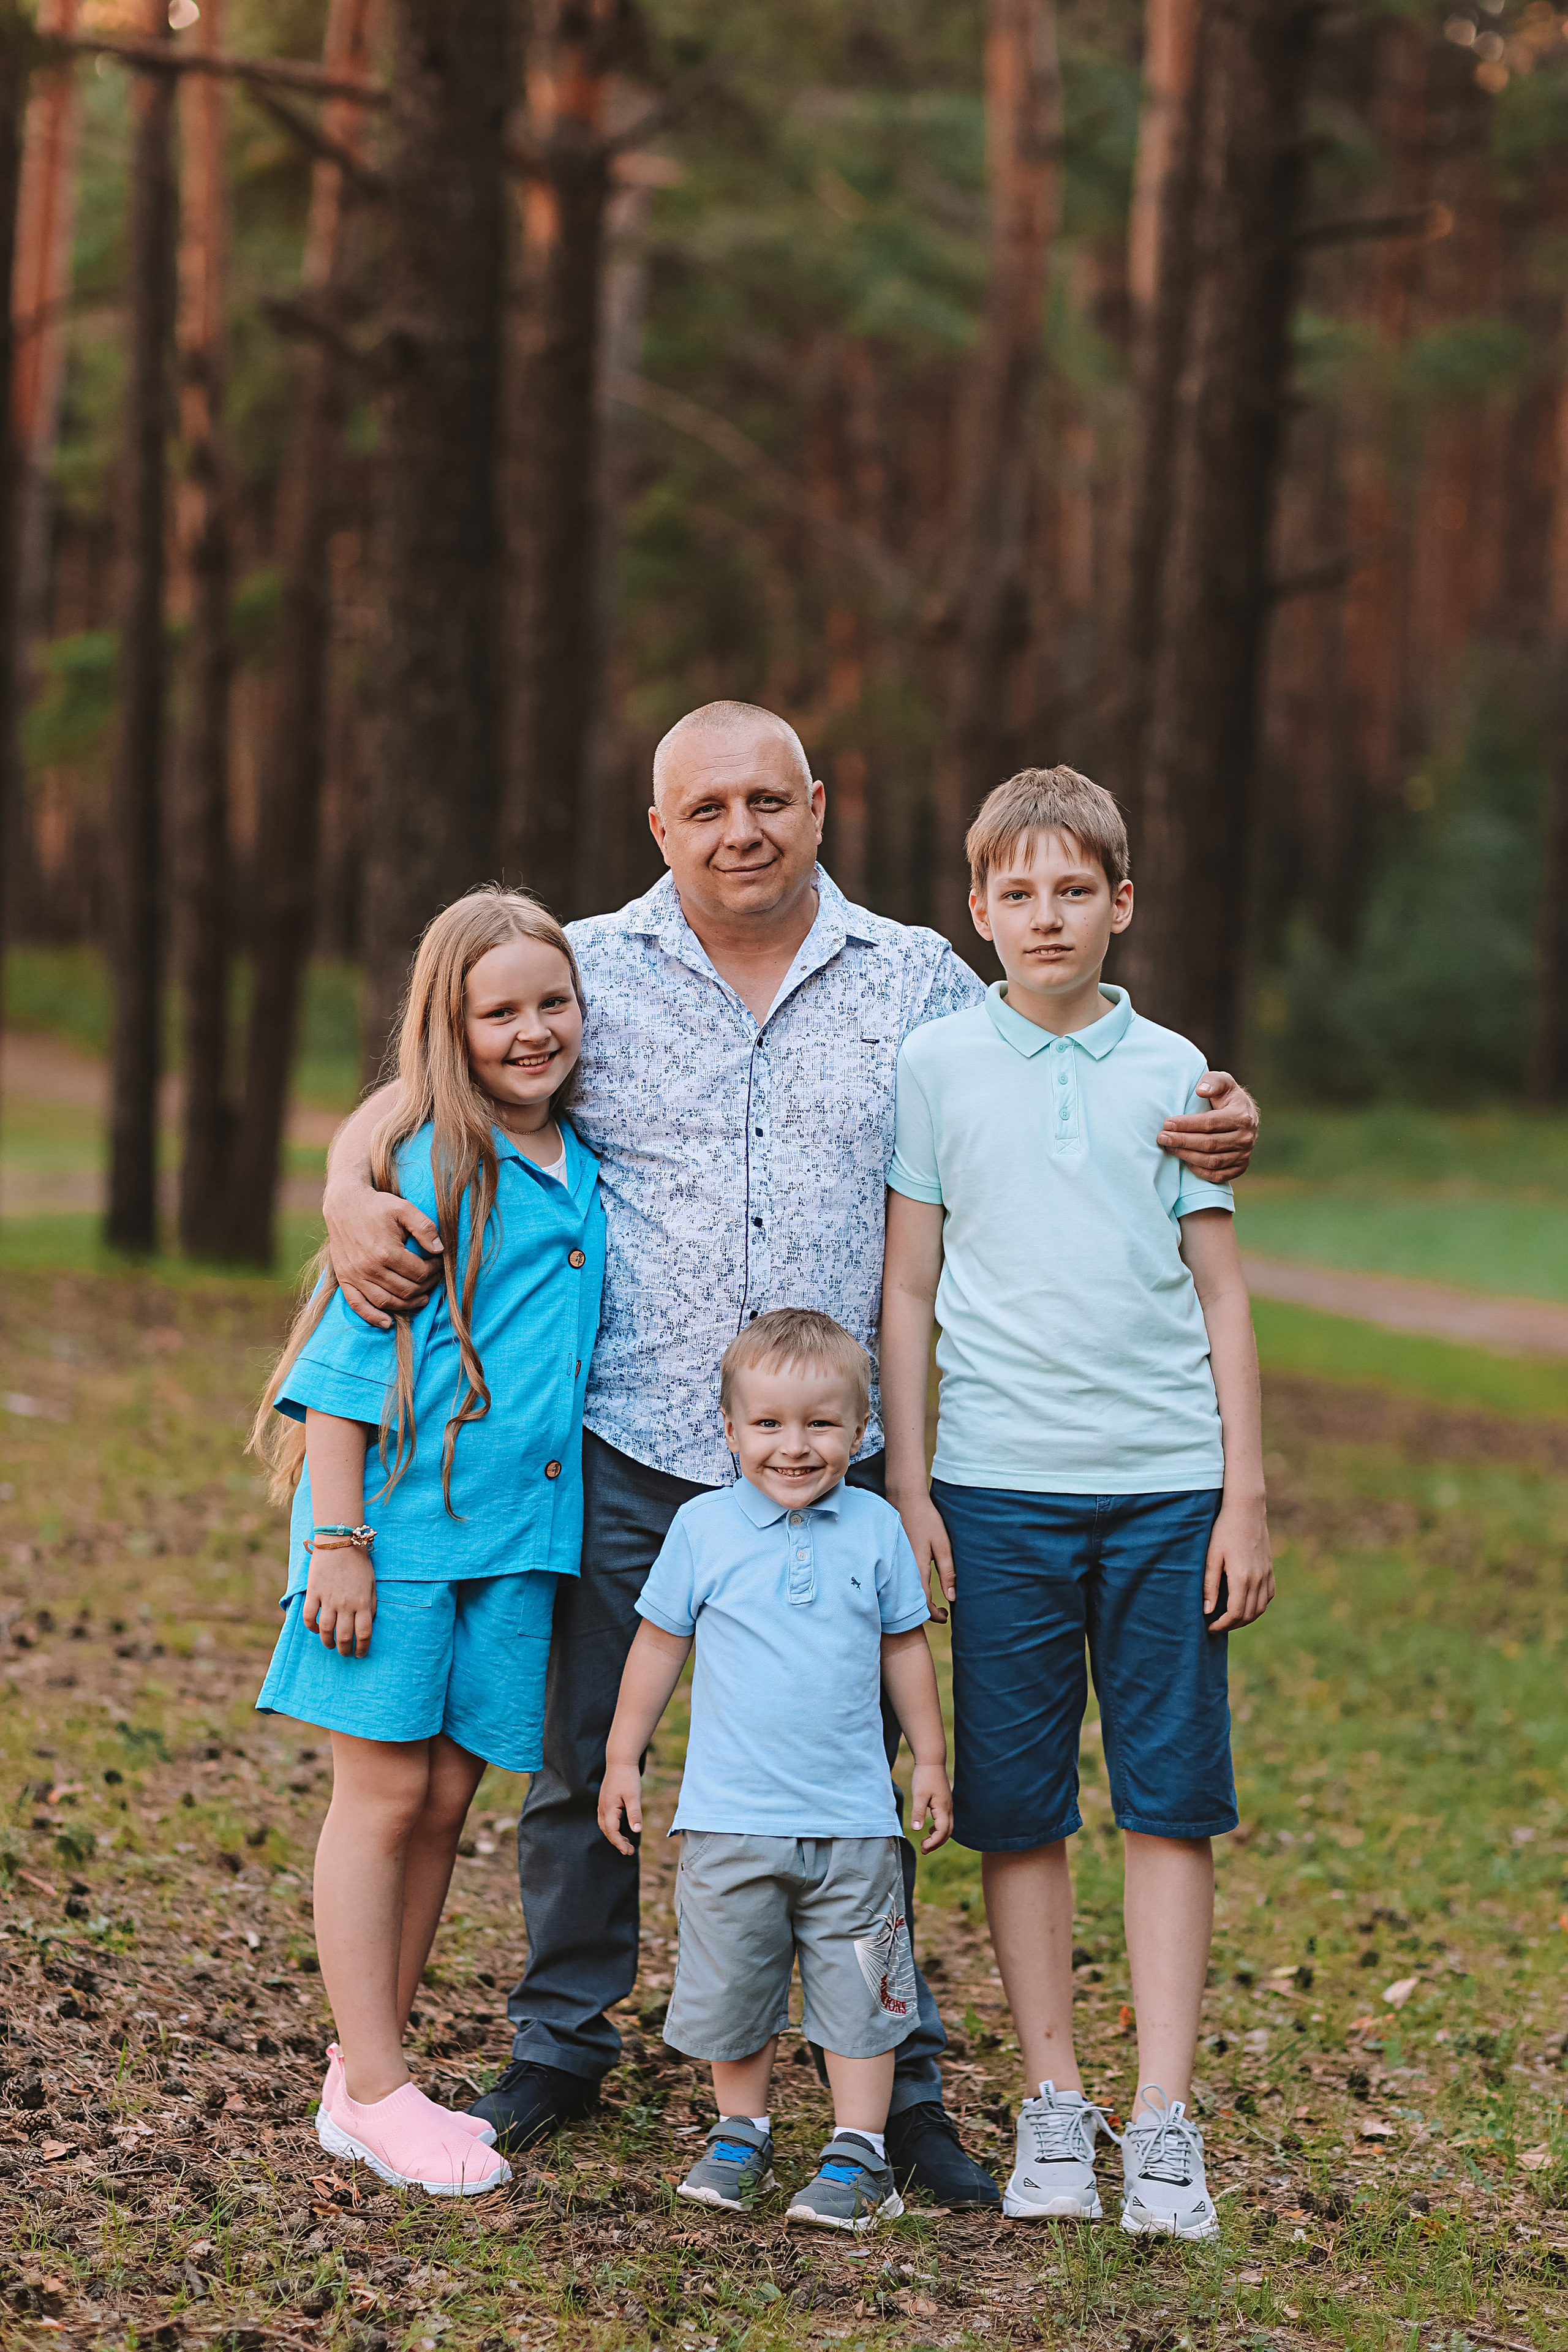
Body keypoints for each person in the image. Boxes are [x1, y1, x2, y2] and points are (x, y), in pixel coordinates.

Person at [318, 699, 1261, 2201]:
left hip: (837, 1463)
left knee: (855, 1778)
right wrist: (347, 1184)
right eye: (705, 808)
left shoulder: (910, 977)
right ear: (659, 829)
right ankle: (564, 2036)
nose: (739, 830)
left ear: (818, 806)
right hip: (630, 1437)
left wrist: (1215, 1105)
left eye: (769, 799)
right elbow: (441, 1061)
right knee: (583, 1763)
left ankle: (892, 2080)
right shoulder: (593, 969)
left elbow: (1053, 1048)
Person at [881, 766, 1275, 2241]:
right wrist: (913, 1486)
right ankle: (1055, 2102)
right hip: (995, 1488)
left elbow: (1222, 1298)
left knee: (1168, 1802)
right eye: (1014, 893)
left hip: (1167, 1488)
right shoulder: (935, 1066)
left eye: (1072, 891)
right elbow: (907, 1288)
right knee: (1018, 1807)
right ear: (975, 910)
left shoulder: (1179, 1074)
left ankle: (1162, 2120)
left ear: (1121, 903)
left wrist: (1243, 1497)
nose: (1043, 917)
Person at [248, 889, 605, 2198]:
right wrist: (335, 1537)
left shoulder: (584, 1159)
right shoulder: (429, 1169)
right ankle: (384, 2088)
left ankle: (363, 2071)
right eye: (497, 1011)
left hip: (516, 1546)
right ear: (446, 1029)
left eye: (549, 1003)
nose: (530, 1030)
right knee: (383, 1796)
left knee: (449, 1800)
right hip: (391, 1537)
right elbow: (348, 1365)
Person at [598, 1310, 952, 2231]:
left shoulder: (876, 1527)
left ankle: (859, 2150)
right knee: (735, 1982)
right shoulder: (702, 1529)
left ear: (861, 1429)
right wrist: (622, 1755)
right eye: (769, 1425)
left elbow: (907, 1649)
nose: (794, 1448)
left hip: (856, 1824)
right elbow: (657, 1645)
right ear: (729, 1429)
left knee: (866, 1989)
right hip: (728, 1819)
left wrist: (929, 1759)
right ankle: (738, 2131)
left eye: (822, 1425)